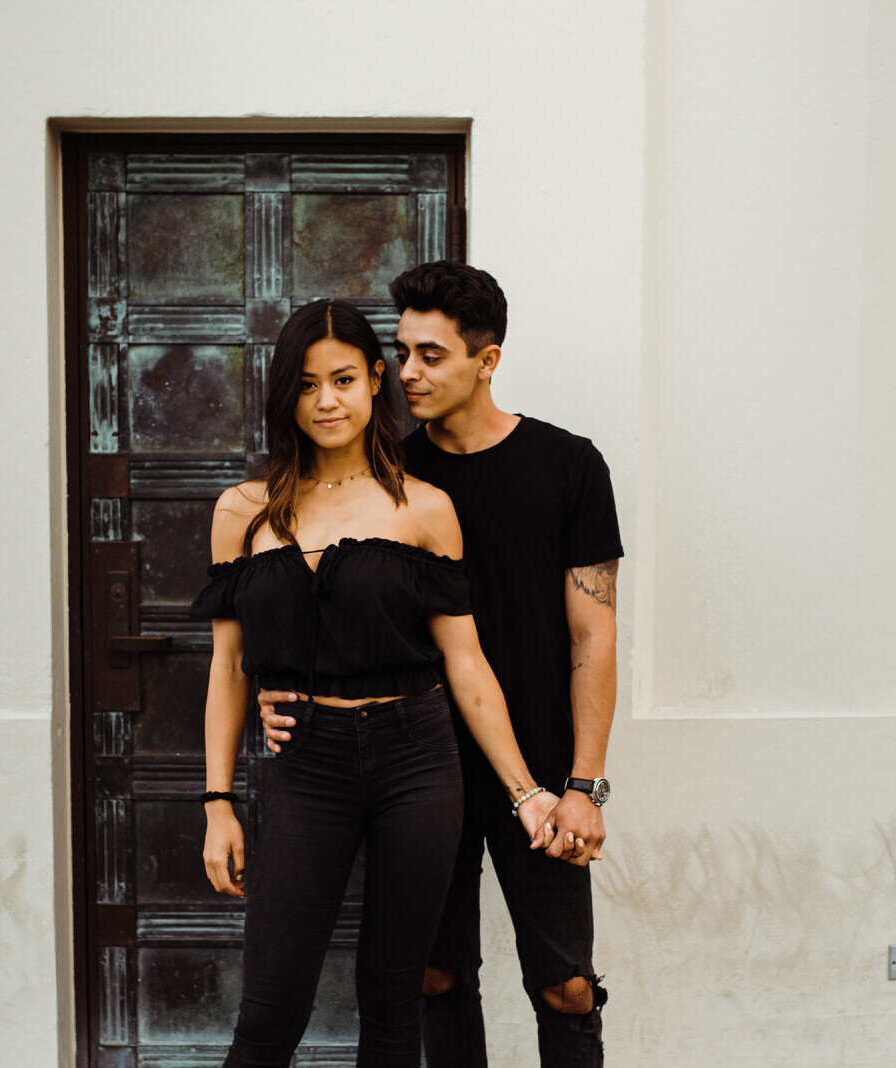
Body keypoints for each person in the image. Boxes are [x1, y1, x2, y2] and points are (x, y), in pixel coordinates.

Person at [261, 263, 623, 1068]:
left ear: (486, 360)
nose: (409, 374)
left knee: (565, 985)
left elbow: (593, 636)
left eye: (432, 355)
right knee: (434, 977)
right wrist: (280, 690)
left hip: (539, 764)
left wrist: (584, 783)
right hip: (417, 766)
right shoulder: (393, 478)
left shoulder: (569, 466)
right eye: (404, 352)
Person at [192, 298, 568, 1068]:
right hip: (307, 765)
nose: (325, 401)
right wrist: (218, 803)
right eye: (304, 385)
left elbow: (466, 667)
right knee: (270, 1010)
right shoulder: (243, 510)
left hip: (417, 762)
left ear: (374, 382)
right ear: (284, 396)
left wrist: (526, 790)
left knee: (394, 1003)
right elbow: (229, 666)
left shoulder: (425, 509)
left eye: (342, 380)